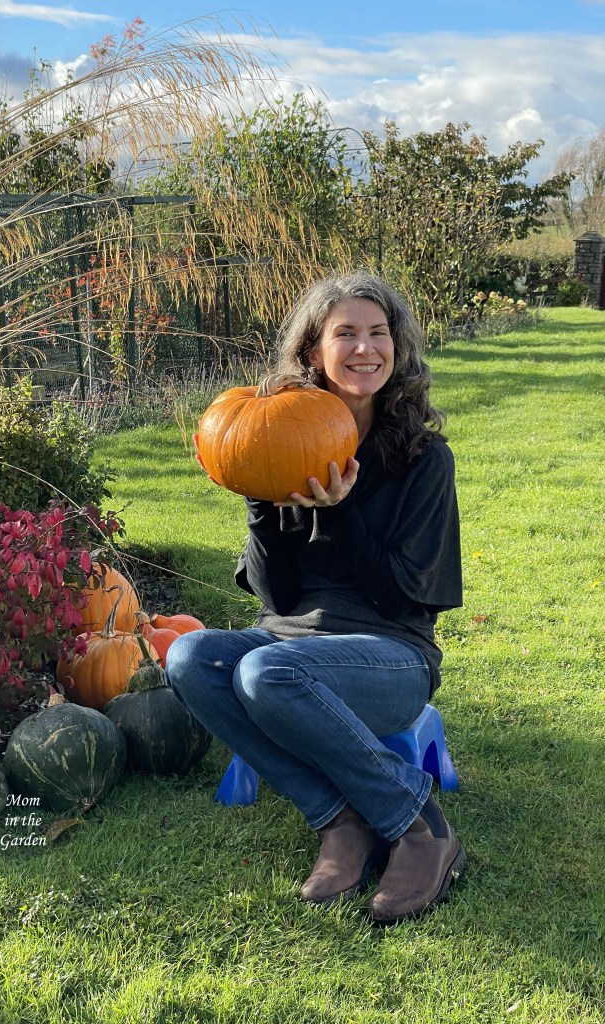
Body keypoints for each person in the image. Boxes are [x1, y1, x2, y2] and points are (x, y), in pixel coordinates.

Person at [165, 272, 465, 926]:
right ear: (313, 353)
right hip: (287, 642)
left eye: (378, 333)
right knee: (188, 657)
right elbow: (280, 598)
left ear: (398, 347)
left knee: (265, 670)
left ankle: (419, 825)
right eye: (345, 334)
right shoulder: (278, 442)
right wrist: (260, 508)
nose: (365, 349)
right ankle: (341, 818)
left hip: (391, 656)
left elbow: (398, 600)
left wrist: (343, 509)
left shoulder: (423, 460)